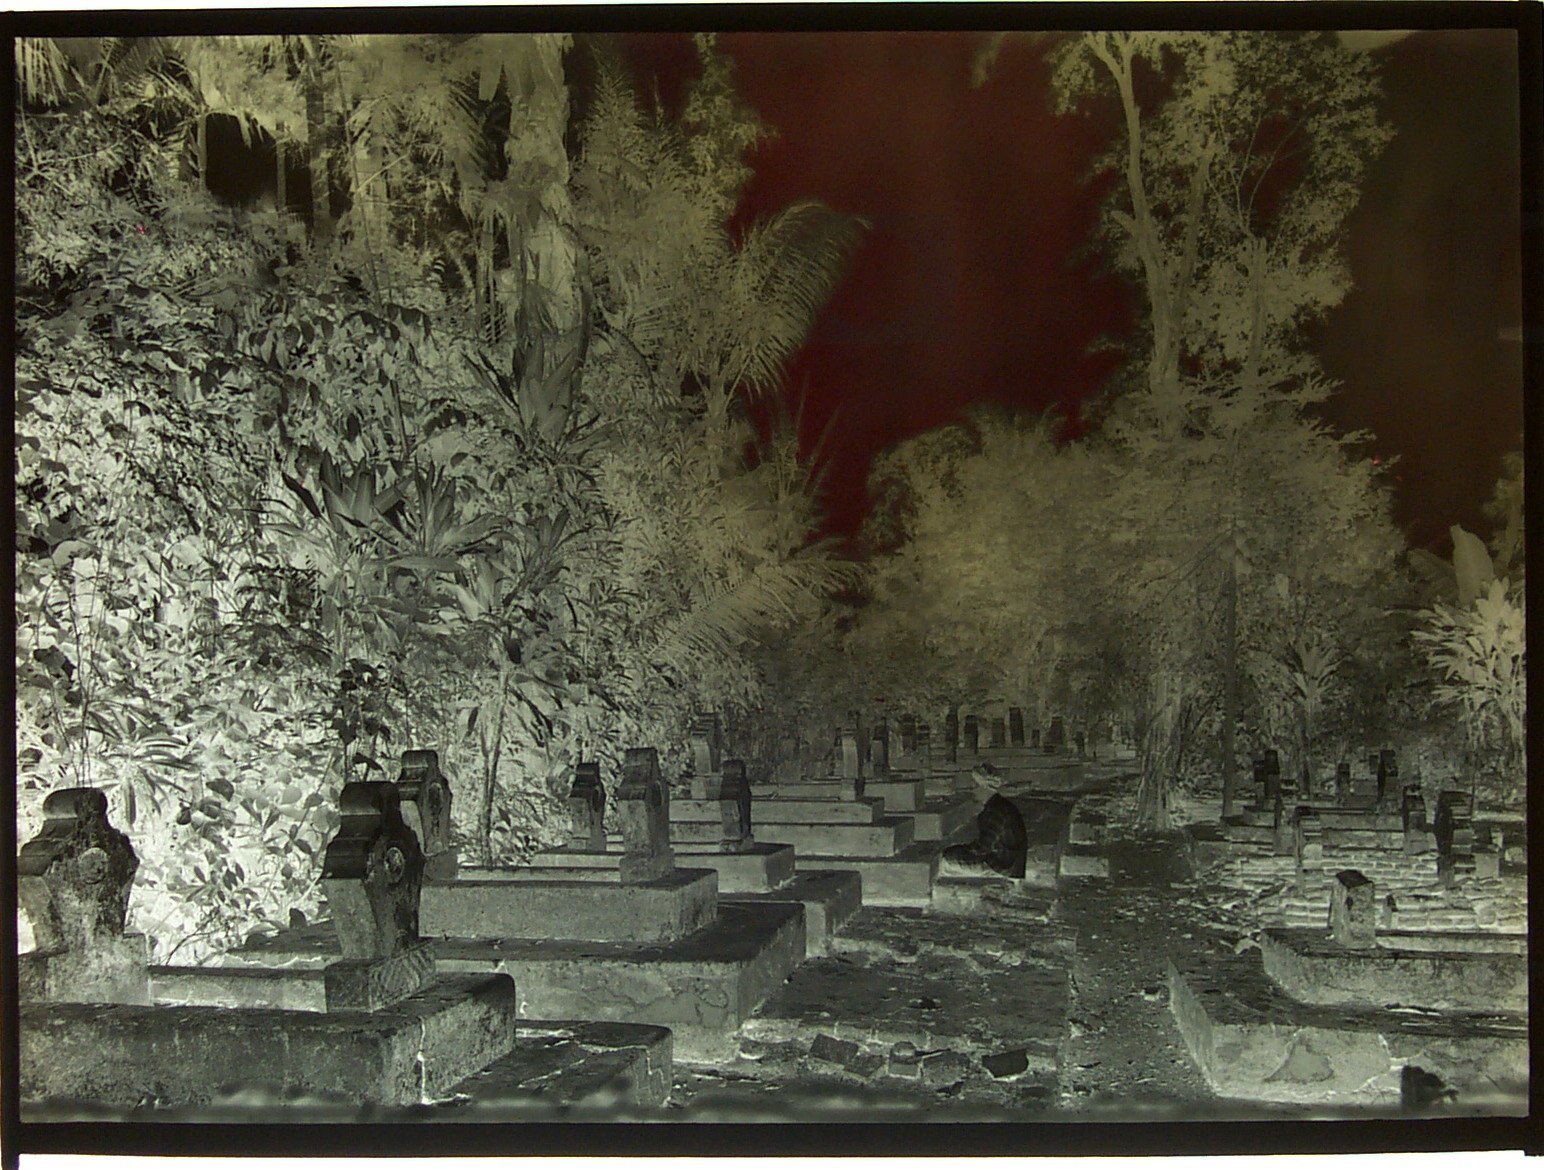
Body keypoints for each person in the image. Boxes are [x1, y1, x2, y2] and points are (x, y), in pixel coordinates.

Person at [937, 762, 1028, 879]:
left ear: (984, 787)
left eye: (975, 785)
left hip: (1002, 867)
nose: (972, 790)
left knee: (944, 859)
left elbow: (982, 848)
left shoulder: (996, 810)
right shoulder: (999, 805)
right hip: (1009, 864)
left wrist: (953, 850)